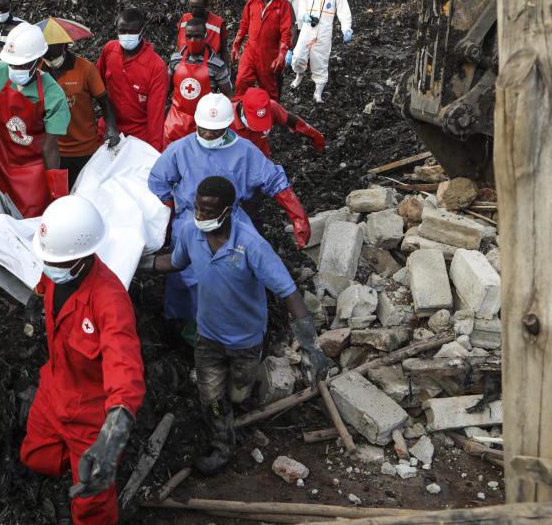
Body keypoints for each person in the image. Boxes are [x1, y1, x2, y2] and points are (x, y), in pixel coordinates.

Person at [151, 175, 329, 474]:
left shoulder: (252, 246)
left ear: (228, 211)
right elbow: (176, 262)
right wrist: (138, 264)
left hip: (246, 341)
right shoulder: (189, 232)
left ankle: (243, 394)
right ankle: (222, 440)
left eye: (207, 211)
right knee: (213, 398)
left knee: (239, 393)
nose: (199, 216)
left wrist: (312, 347)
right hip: (207, 337)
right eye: (196, 208)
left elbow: (289, 294)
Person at [21, 196, 145, 525]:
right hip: (54, 388)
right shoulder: (56, 269)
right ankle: (72, 466)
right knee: (36, 457)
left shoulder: (109, 301)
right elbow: (44, 284)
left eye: (57, 262)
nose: (50, 266)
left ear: (82, 258)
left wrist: (111, 438)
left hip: (89, 413)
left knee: (92, 498)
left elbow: (125, 370)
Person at [147, 93, 311, 328]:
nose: (206, 135)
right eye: (202, 129)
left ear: (226, 127)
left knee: (247, 262)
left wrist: (298, 217)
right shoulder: (180, 149)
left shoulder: (245, 150)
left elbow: (274, 181)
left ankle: (245, 319)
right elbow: (159, 182)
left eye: (213, 132)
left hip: (231, 217)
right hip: (189, 218)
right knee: (186, 271)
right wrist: (171, 213)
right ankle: (189, 323)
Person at [0, 22, 69, 217]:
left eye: (23, 65)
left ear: (37, 61)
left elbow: (51, 147)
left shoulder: (53, 94)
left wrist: (55, 189)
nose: (16, 69)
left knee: (29, 219)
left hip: (31, 169)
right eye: (12, 64)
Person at [43, 36, 120, 188]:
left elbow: (104, 101)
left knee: (85, 192)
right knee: (59, 195)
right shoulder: (38, 69)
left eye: (55, 57)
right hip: (53, 149)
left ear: (64, 46)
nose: (51, 61)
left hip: (84, 148)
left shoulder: (86, 69)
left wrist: (111, 128)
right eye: (47, 57)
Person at [96, 8, 168, 152]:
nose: (126, 35)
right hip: (109, 132)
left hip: (138, 139)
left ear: (142, 31)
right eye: (122, 31)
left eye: (132, 32)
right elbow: (98, 87)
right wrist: (108, 126)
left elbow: (156, 115)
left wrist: (153, 153)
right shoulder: (109, 50)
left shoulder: (156, 66)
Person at [290, 0, 353, 103]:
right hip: (307, 31)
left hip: (324, 32)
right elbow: (301, 8)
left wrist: (346, 29)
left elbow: (344, 12)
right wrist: (305, 16)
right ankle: (299, 75)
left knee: (320, 62)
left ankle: (318, 92)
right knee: (298, 56)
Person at [164, 18, 234, 145]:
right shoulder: (175, 59)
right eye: (189, 36)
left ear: (205, 36)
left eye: (197, 36)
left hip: (204, 125)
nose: (192, 41)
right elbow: (165, 90)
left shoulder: (216, 65)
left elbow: (229, 96)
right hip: (175, 122)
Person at [231, 0, 293, 100]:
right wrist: (236, 45)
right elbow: (244, 23)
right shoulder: (253, 0)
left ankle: (270, 116)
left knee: (269, 89)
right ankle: (240, 112)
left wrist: (282, 54)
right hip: (250, 50)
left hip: (269, 54)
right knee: (241, 80)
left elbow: (286, 32)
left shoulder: (283, 5)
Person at [231, 86, 324, 159]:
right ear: (242, 108)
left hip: (261, 159)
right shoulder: (225, 121)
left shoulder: (272, 108)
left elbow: (291, 119)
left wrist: (314, 134)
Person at [175, 0, 231, 65]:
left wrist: (226, 74)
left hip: (209, 69)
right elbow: (179, 45)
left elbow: (224, 52)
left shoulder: (218, 24)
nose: (195, 11)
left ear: (207, 3)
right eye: (192, 7)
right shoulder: (184, 19)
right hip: (185, 67)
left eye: (198, 7)